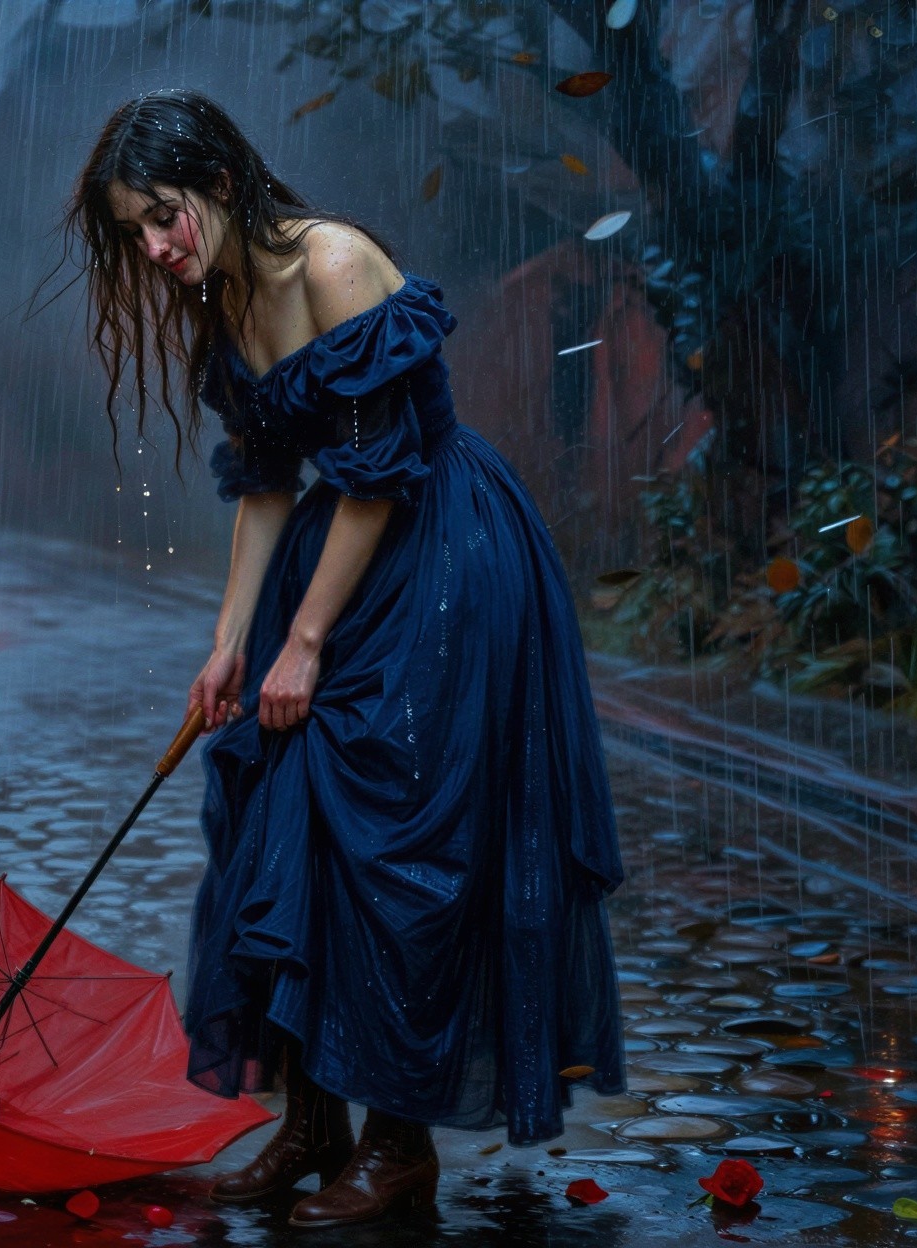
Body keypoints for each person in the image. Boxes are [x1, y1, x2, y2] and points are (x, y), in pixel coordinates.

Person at [61, 90, 625, 1231]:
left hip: (440, 558)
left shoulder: (334, 266)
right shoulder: (222, 300)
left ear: (218, 184)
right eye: (134, 232)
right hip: (336, 563)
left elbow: (375, 475)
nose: (155, 248)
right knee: (283, 829)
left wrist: (303, 644)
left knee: (392, 847)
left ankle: (396, 1146)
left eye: (163, 216)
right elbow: (268, 483)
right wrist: (229, 646)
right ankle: (310, 1131)